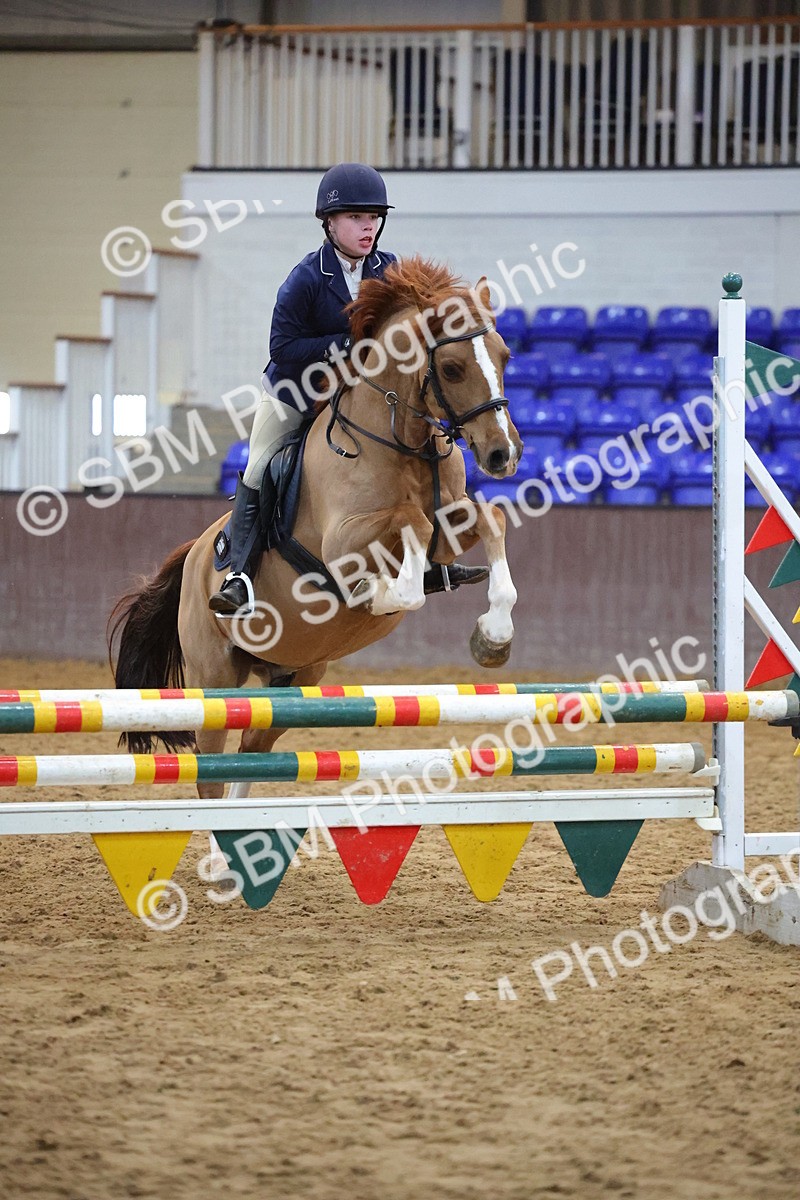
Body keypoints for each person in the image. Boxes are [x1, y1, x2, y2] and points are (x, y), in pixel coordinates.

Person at [209, 162, 487, 616]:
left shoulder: (389, 267)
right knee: (260, 466)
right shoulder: (305, 278)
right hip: (298, 390)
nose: (368, 227)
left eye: (374, 217)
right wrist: (346, 342)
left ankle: (431, 558)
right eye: (357, 217)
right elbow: (282, 347)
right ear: (330, 223)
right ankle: (240, 573)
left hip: (365, 393)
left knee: (424, 445)